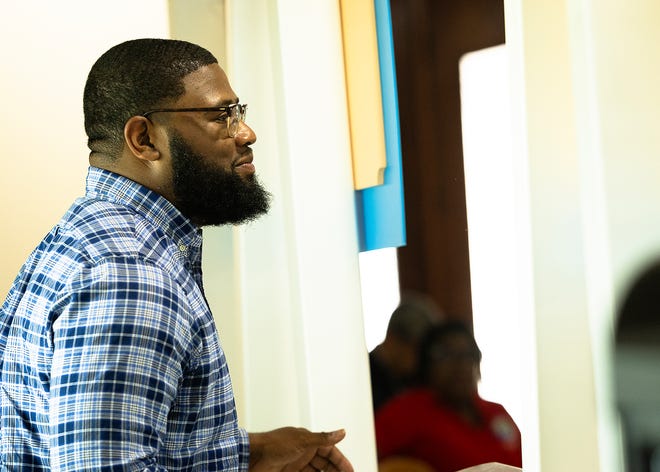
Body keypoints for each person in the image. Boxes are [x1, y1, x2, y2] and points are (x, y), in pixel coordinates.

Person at [0, 38, 353, 471]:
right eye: (220, 116)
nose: (246, 132)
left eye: (239, 112)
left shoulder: (91, 237)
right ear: (144, 139)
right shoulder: (131, 274)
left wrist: (247, 454)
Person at [375, 320, 522, 472]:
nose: (459, 364)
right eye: (445, 354)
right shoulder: (409, 411)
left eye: (467, 354)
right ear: (427, 363)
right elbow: (368, 455)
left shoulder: (496, 411)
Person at [369, 292, 442, 412]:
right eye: (418, 349)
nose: (422, 360)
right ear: (393, 340)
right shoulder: (366, 380)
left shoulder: (411, 380)